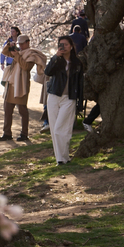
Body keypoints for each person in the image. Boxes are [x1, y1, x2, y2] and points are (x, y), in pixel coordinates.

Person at [44, 35, 85, 165]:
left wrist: (80, 103)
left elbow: (80, 83)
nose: (63, 47)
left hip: (69, 98)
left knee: (61, 129)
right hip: (54, 97)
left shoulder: (77, 63)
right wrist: (56, 56)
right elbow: (47, 71)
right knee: (55, 130)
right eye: (60, 45)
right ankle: (62, 159)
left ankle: (62, 158)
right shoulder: (57, 60)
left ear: (71, 46)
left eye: (66, 44)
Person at [0, 34, 46, 142]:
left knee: (22, 110)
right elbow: (5, 53)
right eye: (19, 44)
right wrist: (9, 45)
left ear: (28, 42)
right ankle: (7, 133)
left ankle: (24, 133)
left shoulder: (31, 54)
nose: (21, 46)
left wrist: (17, 56)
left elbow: (26, 67)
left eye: (22, 43)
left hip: (21, 84)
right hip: (11, 83)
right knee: (7, 109)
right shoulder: (18, 52)